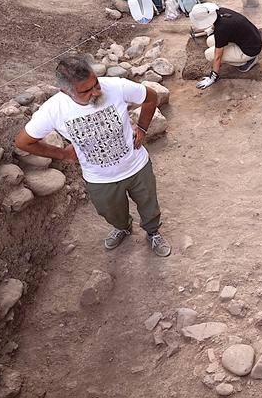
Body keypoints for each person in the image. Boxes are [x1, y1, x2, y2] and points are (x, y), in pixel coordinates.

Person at [15, 54, 171, 256]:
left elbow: (150, 97)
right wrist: (62, 154)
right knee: (110, 211)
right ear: (66, 91)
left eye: (95, 84)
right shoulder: (53, 110)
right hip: (99, 178)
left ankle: (153, 232)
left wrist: (142, 128)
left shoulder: (116, 86)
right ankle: (123, 227)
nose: (96, 92)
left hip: (136, 166)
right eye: (86, 91)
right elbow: (23, 141)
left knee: (149, 204)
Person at [197, 5, 262, 89]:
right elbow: (216, 23)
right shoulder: (220, 11)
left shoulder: (222, 29)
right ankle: (241, 55)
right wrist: (211, 28)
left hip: (251, 50)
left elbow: (217, 57)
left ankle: (248, 60)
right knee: (209, 41)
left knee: (209, 54)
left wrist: (212, 78)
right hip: (252, 39)